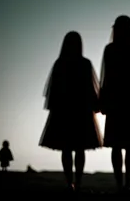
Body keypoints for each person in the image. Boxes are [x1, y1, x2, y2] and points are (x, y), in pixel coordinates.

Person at [39, 31, 103, 193]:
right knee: (77, 148)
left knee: (67, 148)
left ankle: (71, 183)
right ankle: (76, 182)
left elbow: (53, 91)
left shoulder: (61, 63)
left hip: (65, 111)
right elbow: (90, 88)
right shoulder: (83, 64)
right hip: (79, 111)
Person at [99, 15, 130, 194]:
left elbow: (106, 78)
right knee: (128, 146)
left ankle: (122, 184)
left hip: (118, 102)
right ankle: (126, 184)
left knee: (118, 146)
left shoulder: (110, 50)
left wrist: (104, 100)